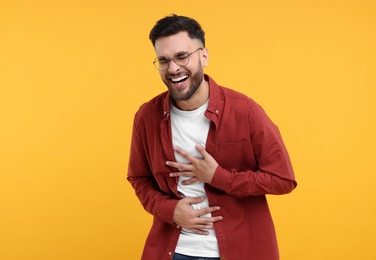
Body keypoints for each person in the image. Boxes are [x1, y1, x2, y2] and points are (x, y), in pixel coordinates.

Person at [127, 14, 297, 260]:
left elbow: (283, 179)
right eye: (164, 60)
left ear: (203, 55)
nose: (173, 68)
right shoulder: (147, 116)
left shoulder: (245, 111)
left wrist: (220, 177)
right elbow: (138, 177)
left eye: (182, 56)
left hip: (239, 250)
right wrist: (169, 210)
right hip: (175, 251)